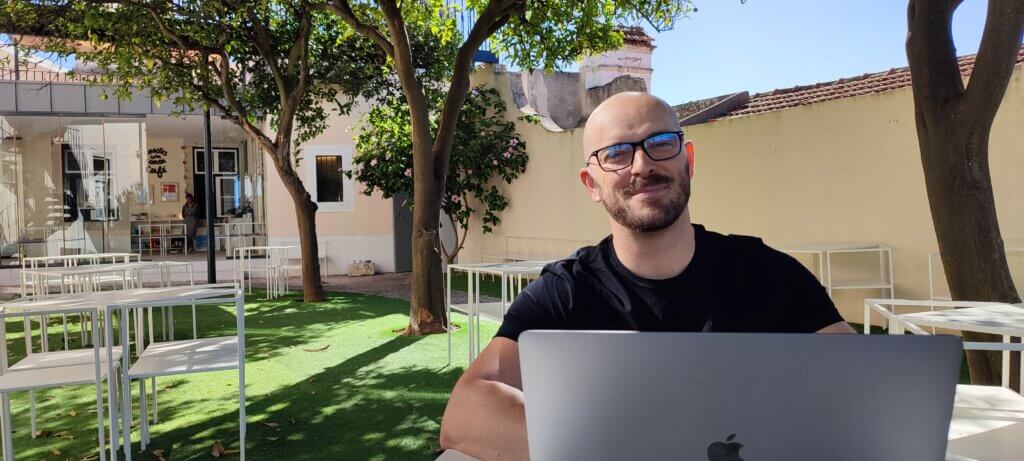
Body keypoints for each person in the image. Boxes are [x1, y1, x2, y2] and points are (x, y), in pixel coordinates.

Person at [438, 92, 855, 460]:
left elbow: (865, 390)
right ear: (592, 184)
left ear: (687, 160)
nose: (642, 165)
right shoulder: (563, 292)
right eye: (617, 153)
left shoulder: (769, 274)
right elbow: (466, 413)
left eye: (659, 143)